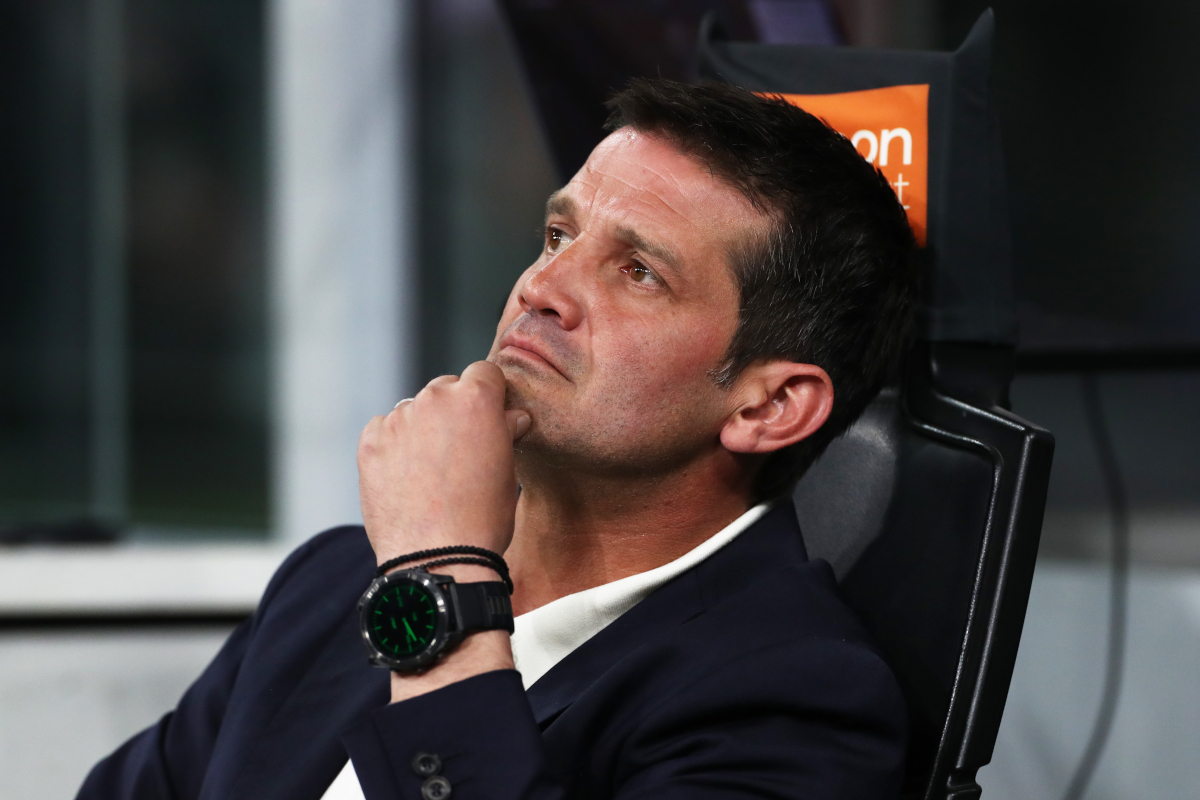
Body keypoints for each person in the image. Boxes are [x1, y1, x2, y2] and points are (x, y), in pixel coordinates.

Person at [78, 78, 916, 800]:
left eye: (639, 272)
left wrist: (439, 589)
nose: (542, 287)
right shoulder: (337, 581)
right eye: (558, 236)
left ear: (769, 407)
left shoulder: (789, 698)